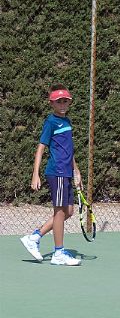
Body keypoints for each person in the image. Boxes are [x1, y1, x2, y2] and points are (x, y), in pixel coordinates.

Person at [20, 84, 82, 266]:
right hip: (57, 172)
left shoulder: (67, 122)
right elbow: (40, 149)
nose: (63, 104)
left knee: (68, 211)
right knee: (60, 211)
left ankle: (35, 237)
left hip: (67, 172)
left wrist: (76, 171)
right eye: (59, 102)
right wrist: (35, 174)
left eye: (65, 101)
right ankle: (58, 253)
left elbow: (68, 150)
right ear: (52, 104)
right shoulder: (51, 122)